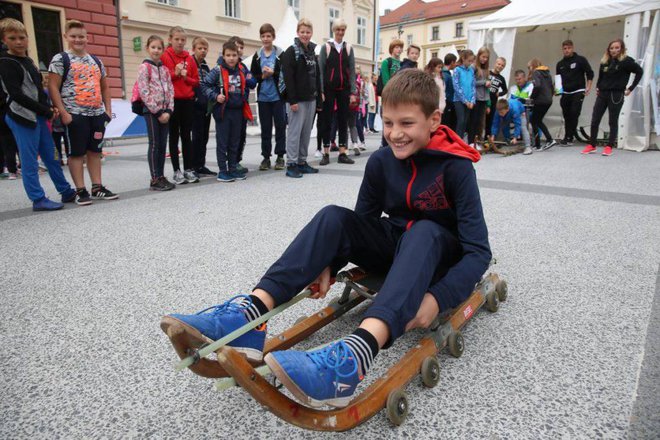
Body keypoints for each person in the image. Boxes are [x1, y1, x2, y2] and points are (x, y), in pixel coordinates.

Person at [161, 69, 491, 408]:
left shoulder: (456, 167)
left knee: (423, 230)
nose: (395, 134)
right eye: (388, 123)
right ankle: (250, 314)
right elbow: (358, 225)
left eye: (407, 124)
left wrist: (438, 298)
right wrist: (328, 264)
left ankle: (355, 356)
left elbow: (478, 252)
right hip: (396, 247)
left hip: (437, 256)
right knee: (334, 215)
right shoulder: (380, 162)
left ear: (434, 119)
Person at [0, 18, 75, 210]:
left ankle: (65, 190)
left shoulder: (29, 61)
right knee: (29, 160)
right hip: (21, 117)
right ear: (4, 40)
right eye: (13, 38)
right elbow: (16, 94)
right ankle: (38, 198)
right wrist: (45, 110)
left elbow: (37, 89)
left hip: (39, 116)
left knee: (52, 155)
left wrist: (50, 108)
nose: (18, 42)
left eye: (22, 37)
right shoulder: (5, 62)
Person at [48, 19, 117, 205]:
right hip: (74, 114)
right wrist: (63, 112)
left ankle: (97, 187)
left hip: (96, 114)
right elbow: (53, 86)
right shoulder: (60, 59)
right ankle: (80, 190)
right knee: (76, 153)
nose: (78, 40)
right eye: (73, 36)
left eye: (81, 36)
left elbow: (105, 88)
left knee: (95, 151)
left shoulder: (96, 61)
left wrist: (107, 111)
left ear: (87, 37)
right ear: (66, 37)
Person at [202, 41, 253, 182]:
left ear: (238, 56)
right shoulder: (218, 70)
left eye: (234, 55)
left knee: (234, 142)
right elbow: (204, 84)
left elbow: (251, 82)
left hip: (238, 111)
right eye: (228, 55)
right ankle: (223, 171)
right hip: (223, 112)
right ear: (223, 56)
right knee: (223, 143)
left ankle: (232, 169)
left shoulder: (241, 70)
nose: (231, 58)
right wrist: (215, 96)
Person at [582, 39, 643, 156]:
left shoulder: (627, 61)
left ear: (621, 49)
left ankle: (609, 146)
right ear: (608, 50)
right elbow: (600, 76)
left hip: (616, 94)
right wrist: (598, 87)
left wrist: (631, 88)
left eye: (617, 48)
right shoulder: (605, 61)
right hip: (603, 93)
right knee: (595, 119)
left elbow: (640, 71)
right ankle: (592, 145)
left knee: (612, 121)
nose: (614, 50)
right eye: (612, 48)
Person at [280, 18, 322, 178]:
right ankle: (291, 164)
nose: (305, 35)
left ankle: (302, 162)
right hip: (297, 101)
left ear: (311, 33)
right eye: (302, 32)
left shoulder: (312, 51)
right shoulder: (291, 52)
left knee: (306, 132)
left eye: (308, 32)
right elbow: (288, 77)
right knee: (294, 132)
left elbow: (317, 76)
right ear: (298, 33)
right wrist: (292, 100)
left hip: (311, 98)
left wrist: (319, 99)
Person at [161, 26, 200, 185]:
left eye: (183, 40)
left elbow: (196, 81)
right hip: (172, 101)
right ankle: (176, 170)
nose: (180, 42)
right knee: (174, 135)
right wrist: (175, 73)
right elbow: (162, 79)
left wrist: (185, 78)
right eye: (177, 39)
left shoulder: (189, 58)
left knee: (186, 136)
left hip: (187, 101)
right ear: (170, 39)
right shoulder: (165, 56)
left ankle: (188, 168)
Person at [137, 35, 175, 191]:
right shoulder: (144, 67)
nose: (156, 50)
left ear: (163, 50)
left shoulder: (165, 69)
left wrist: (168, 110)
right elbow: (144, 91)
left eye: (159, 48)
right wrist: (158, 111)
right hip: (152, 112)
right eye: (153, 47)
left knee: (162, 144)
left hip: (165, 113)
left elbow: (171, 90)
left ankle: (161, 175)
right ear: (147, 48)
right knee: (154, 145)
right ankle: (154, 178)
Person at [318, 18, 356, 166]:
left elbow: (352, 71)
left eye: (342, 30)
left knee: (343, 120)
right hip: (328, 89)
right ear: (333, 30)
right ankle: (326, 153)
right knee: (326, 120)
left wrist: (353, 91)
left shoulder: (348, 48)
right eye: (338, 29)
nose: (340, 32)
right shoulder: (326, 47)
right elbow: (320, 70)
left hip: (344, 89)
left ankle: (342, 153)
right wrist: (321, 90)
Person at [251, 23, 286, 171]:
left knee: (280, 127)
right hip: (263, 97)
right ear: (260, 37)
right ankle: (265, 157)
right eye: (263, 36)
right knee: (265, 128)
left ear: (273, 37)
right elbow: (253, 76)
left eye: (268, 36)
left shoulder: (279, 54)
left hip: (277, 97)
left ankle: (280, 156)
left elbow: (285, 74)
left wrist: (274, 73)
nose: (266, 39)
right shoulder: (257, 56)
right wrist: (262, 76)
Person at [222, 36, 256, 174]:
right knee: (227, 137)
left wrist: (246, 78)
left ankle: (236, 161)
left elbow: (252, 82)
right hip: (228, 107)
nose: (240, 50)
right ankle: (228, 164)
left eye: (241, 48)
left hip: (242, 105)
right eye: (237, 47)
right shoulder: (223, 65)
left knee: (240, 136)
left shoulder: (243, 66)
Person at [556, 40, 593, 146]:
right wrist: (557, 91)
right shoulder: (560, 64)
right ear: (562, 50)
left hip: (578, 91)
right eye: (565, 48)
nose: (567, 50)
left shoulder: (580, 60)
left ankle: (569, 136)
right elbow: (558, 79)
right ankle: (568, 136)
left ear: (572, 48)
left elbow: (590, 73)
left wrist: (588, 87)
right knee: (566, 115)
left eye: (569, 48)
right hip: (566, 93)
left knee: (574, 112)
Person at [191, 36, 215, 177]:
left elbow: (209, 84)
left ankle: (201, 164)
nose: (203, 51)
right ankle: (194, 166)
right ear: (194, 49)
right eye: (200, 48)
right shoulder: (190, 63)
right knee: (197, 136)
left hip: (206, 106)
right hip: (194, 106)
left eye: (205, 49)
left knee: (204, 136)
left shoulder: (205, 66)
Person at [528, 58, 557, 151]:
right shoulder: (547, 73)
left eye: (529, 68)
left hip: (540, 101)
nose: (529, 70)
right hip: (548, 100)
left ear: (533, 66)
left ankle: (547, 140)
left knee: (535, 120)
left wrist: (531, 97)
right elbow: (552, 87)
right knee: (536, 120)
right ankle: (539, 144)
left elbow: (537, 86)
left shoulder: (536, 72)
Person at [379, 39, 403, 147]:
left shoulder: (402, 63)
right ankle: (385, 145)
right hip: (389, 97)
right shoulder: (386, 62)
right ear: (392, 49)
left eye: (400, 47)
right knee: (388, 123)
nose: (399, 49)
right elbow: (385, 81)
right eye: (397, 47)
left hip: (400, 98)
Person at [468, 47, 490, 146]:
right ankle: (471, 142)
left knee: (481, 122)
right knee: (474, 121)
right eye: (483, 57)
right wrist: (484, 82)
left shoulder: (486, 69)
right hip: (475, 97)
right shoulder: (473, 67)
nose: (484, 59)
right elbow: (471, 83)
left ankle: (479, 141)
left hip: (484, 98)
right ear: (479, 55)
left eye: (486, 58)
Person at [452, 49, 476, 140]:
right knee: (461, 121)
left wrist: (472, 100)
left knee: (465, 122)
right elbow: (456, 86)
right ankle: (457, 142)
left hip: (469, 101)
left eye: (472, 61)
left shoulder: (471, 70)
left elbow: (473, 86)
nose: (470, 63)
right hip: (459, 100)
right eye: (469, 61)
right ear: (463, 59)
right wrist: (465, 101)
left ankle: (461, 141)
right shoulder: (457, 70)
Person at [486, 57, 508, 139]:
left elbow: (505, 90)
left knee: (489, 122)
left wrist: (500, 93)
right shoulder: (487, 72)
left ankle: (487, 141)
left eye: (502, 65)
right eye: (499, 64)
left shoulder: (501, 79)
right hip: (483, 100)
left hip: (493, 102)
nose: (500, 66)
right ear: (495, 63)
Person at [441, 53, 457, 131]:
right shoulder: (446, 75)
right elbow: (446, 91)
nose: (456, 64)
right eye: (455, 62)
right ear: (452, 62)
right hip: (447, 102)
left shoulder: (444, 74)